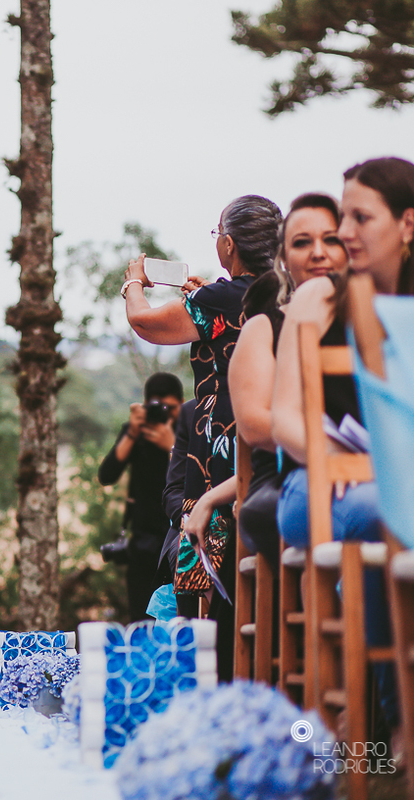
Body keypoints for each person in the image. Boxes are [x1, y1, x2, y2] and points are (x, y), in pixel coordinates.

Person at [271, 158, 414, 733]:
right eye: (342, 215)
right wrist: (349, 464)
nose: (345, 233)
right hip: (320, 479)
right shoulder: (317, 301)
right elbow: (282, 419)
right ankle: (388, 720)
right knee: (382, 510)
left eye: (359, 217)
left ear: (407, 225)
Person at [123, 195, 283, 628]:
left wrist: (134, 283)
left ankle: (212, 652)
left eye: (218, 234)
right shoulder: (284, 296)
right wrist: (202, 299)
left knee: (213, 572)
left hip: (225, 444)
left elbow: (144, 322)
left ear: (229, 245)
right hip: (275, 436)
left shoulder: (220, 298)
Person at [228, 193, 348, 571]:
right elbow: (255, 424)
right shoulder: (266, 327)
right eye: (302, 242)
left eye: (331, 240)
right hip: (284, 473)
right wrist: (332, 454)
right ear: (283, 259)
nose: (318, 253)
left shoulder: (371, 318)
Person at [98, 372, 183, 620]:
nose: (164, 413)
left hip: (178, 534)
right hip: (144, 539)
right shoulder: (137, 433)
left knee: (176, 616)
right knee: (140, 617)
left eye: (171, 407)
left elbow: (197, 475)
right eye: (158, 407)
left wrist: (172, 444)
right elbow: (107, 474)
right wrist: (133, 432)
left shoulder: (187, 429)